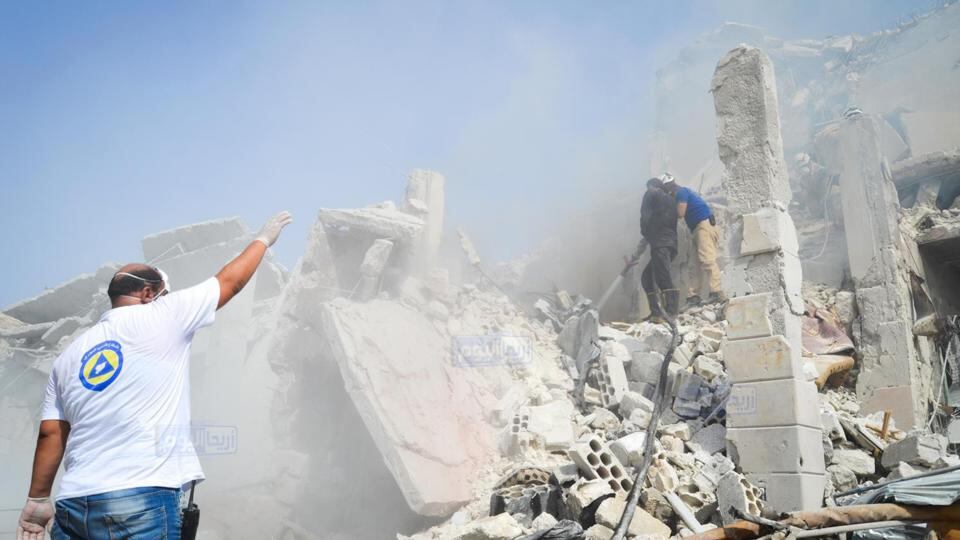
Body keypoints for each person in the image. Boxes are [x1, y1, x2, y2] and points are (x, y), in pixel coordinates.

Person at [16, 211, 293, 540]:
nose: (167, 299)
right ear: (148, 294)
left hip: (74, 505)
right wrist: (263, 239)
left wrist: (36, 502)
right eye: (164, 293)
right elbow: (229, 282)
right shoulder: (163, 314)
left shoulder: (67, 357)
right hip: (141, 498)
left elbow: (51, 433)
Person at [660, 174, 724, 306]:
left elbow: (680, 213)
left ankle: (717, 292)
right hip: (697, 229)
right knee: (694, 265)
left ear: (668, 186)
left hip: (703, 226)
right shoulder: (681, 193)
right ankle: (694, 296)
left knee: (707, 259)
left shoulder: (681, 192)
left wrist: (667, 210)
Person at [636, 177, 679, 322]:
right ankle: (656, 312)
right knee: (647, 277)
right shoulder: (671, 200)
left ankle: (671, 312)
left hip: (660, 243)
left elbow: (645, 217)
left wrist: (645, 232)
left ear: (652, 186)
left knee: (663, 276)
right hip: (671, 243)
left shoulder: (651, 194)